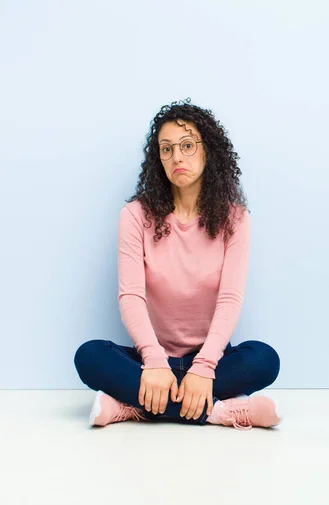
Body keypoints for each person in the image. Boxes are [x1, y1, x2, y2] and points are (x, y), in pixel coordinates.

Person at [74, 98, 282, 431]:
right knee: (89, 356)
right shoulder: (135, 217)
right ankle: (217, 412)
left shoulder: (236, 220)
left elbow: (230, 300)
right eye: (166, 149)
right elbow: (131, 297)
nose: (177, 157)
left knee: (265, 359)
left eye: (187, 145)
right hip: (151, 361)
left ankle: (134, 406)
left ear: (207, 151)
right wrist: (154, 361)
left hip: (212, 360)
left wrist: (204, 366)